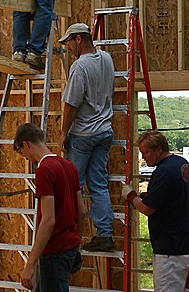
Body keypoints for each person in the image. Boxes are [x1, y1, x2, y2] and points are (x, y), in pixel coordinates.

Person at [58, 23, 115, 252]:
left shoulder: (79, 66)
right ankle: (105, 234)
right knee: (98, 184)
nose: (69, 47)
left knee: (73, 185)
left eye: (69, 42)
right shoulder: (106, 59)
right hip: (104, 132)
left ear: (79, 39)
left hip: (83, 135)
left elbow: (71, 103)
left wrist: (63, 133)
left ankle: (69, 234)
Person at [13, 122, 85, 292]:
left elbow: (48, 220)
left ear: (26, 144)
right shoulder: (69, 166)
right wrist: (76, 245)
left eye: (20, 151)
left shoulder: (44, 170)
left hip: (54, 250)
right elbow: (81, 211)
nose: (24, 156)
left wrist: (30, 265)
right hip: (69, 247)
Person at [122, 129, 189, 292]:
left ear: (159, 149)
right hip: (183, 243)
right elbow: (175, 194)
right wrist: (150, 194)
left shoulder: (163, 172)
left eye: (146, 153)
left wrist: (131, 196)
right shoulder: (181, 164)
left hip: (169, 251)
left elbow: (147, 208)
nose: (143, 157)